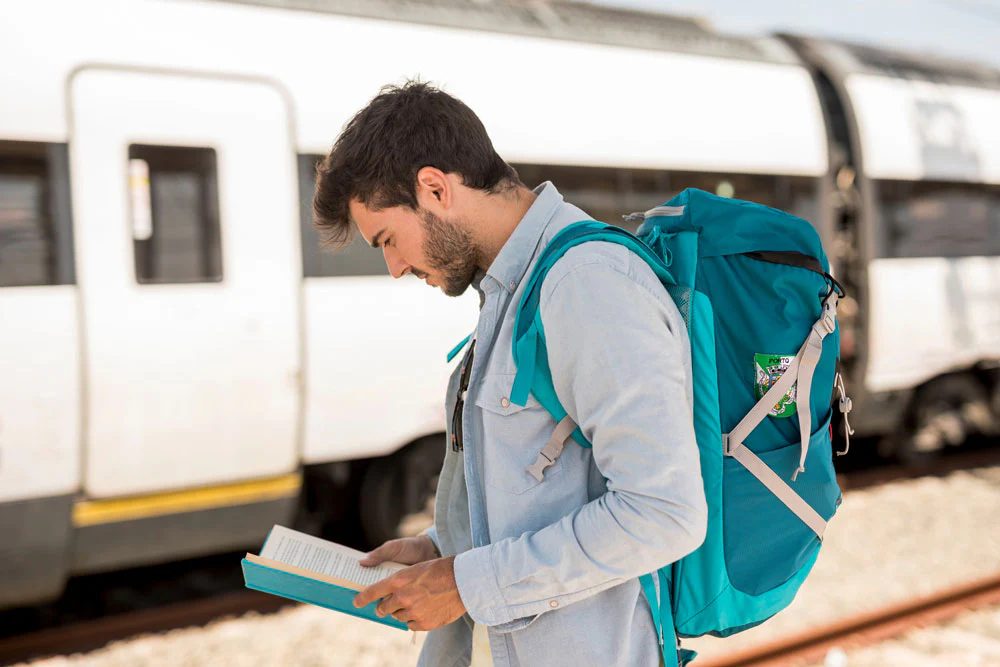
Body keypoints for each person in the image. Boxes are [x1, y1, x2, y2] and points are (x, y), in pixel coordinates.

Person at [312, 81, 707, 667]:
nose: (395, 267)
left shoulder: (586, 284)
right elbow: (541, 488)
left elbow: (664, 513)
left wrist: (467, 582)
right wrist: (440, 550)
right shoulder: (511, 292)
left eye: (389, 240)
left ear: (435, 188)